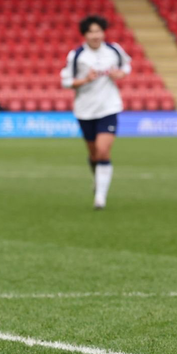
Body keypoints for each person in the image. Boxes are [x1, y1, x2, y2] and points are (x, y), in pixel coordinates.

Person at [61, 15, 130, 210]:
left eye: (98, 31)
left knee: (102, 150)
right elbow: (66, 81)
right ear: (85, 35)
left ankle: (100, 197)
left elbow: (126, 65)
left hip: (109, 107)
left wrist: (121, 74)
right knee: (93, 154)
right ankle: (97, 179)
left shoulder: (114, 50)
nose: (96, 35)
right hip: (85, 110)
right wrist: (85, 80)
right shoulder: (77, 55)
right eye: (91, 31)